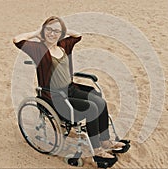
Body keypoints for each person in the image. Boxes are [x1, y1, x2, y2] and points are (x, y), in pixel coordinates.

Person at [13, 16, 129, 165]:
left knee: (100, 101)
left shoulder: (63, 45)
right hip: (55, 97)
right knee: (91, 108)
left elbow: (77, 35)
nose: (52, 33)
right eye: (49, 29)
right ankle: (97, 151)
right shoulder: (39, 50)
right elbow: (17, 40)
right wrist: (37, 33)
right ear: (43, 30)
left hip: (70, 89)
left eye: (56, 31)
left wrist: (63, 31)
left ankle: (105, 141)